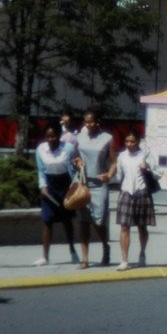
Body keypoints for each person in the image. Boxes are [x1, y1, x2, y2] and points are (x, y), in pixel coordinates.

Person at [72, 109, 117, 267]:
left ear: (98, 122)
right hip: (83, 182)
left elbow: (113, 162)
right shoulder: (80, 137)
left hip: (99, 184)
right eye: (85, 121)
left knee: (99, 221)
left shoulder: (107, 139)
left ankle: (105, 246)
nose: (88, 124)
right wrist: (77, 162)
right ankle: (85, 258)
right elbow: (75, 156)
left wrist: (109, 175)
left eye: (90, 121)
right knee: (83, 221)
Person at [34, 124, 80, 267]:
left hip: (65, 183)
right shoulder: (41, 149)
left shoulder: (68, 148)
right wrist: (43, 186)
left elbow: (74, 167)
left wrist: (74, 186)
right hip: (50, 184)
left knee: (67, 220)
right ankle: (45, 256)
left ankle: (73, 251)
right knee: (47, 220)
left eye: (53, 136)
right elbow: (41, 170)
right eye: (48, 136)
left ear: (59, 136)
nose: (51, 139)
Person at [112, 132, 155, 269]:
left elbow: (158, 173)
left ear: (138, 142)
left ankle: (142, 254)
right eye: (127, 141)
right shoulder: (122, 156)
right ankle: (124, 260)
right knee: (124, 226)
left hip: (142, 192)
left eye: (132, 142)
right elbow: (119, 177)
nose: (129, 144)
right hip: (126, 192)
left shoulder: (145, 155)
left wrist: (147, 167)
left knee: (142, 226)